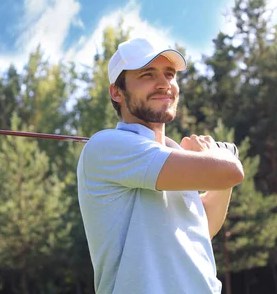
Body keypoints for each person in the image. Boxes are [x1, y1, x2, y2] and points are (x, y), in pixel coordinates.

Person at [76, 37, 244, 294]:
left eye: (170, 74)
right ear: (116, 91)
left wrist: (218, 176)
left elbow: (201, 228)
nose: (164, 83)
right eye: (147, 74)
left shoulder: (173, 153)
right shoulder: (107, 145)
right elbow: (232, 171)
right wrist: (219, 159)